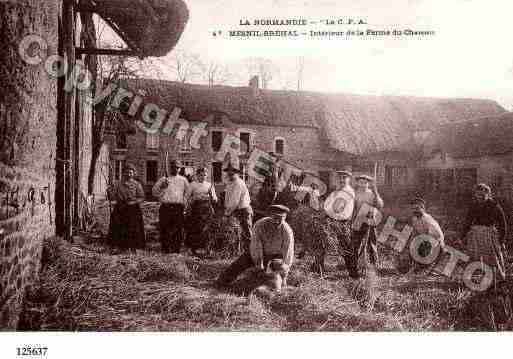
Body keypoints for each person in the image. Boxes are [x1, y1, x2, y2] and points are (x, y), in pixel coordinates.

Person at [216, 204, 294, 288]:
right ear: (269, 216)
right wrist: (259, 264)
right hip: (257, 253)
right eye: (275, 218)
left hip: (275, 256)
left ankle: (274, 284)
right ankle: (222, 282)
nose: (277, 221)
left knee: (276, 276)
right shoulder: (260, 225)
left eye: (280, 219)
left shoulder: (287, 231)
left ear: (284, 218)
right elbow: (256, 246)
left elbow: (288, 252)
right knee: (241, 262)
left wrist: (284, 272)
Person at [462, 183, 507, 283]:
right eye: (478, 195)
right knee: (474, 257)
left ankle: (497, 279)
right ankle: (475, 279)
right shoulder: (474, 206)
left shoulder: (494, 206)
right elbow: (468, 222)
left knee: (492, 257)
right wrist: (462, 236)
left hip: (489, 233)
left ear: (488, 194)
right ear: (475, 195)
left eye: (483, 195)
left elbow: (502, 224)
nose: (480, 197)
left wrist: (502, 240)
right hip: (476, 234)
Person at [397, 197, 445, 274]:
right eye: (413, 209)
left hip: (436, 245)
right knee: (410, 248)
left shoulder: (428, 220)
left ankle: (428, 266)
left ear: (423, 208)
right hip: (424, 242)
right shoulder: (415, 219)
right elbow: (414, 233)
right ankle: (413, 266)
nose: (415, 211)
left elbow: (436, 237)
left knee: (422, 256)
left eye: (417, 208)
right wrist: (408, 246)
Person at [152, 160, 190, 253]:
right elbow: (154, 192)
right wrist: (163, 187)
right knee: (165, 228)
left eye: (177, 167)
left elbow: (187, 193)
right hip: (166, 207)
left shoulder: (183, 180)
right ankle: (166, 249)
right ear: (170, 168)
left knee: (178, 229)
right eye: (173, 167)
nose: (175, 169)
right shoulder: (163, 179)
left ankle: (176, 250)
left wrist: (184, 204)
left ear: (180, 169)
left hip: (178, 207)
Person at [350, 174, 384, 278]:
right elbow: (353, 208)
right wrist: (352, 221)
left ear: (368, 184)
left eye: (365, 182)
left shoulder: (372, 194)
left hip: (370, 221)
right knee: (355, 244)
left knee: (372, 244)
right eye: (361, 182)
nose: (363, 184)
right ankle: (354, 268)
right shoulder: (355, 194)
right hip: (358, 221)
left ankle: (374, 267)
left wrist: (376, 192)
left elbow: (380, 205)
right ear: (357, 183)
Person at [323, 170, 356, 276]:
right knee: (322, 241)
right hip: (331, 219)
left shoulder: (349, 192)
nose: (342, 180)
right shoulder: (336, 191)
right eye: (340, 178)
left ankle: (353, 272)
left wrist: (329, 212)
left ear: (349, 179)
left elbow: (337, 208)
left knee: (346, 246)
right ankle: (318, 265)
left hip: (342, 222)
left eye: (344, 178)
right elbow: (327, 204)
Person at [107, 164, 145, 253]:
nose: (129, 174)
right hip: (120, 209)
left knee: (133, 227)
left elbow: (142, 197)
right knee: (118, 226)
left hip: (133, 209)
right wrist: (109, 191)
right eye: (127, 173)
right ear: (124, 173)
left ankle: (133, 246)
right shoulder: (118, 184)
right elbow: (112, 197)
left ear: (134, 174)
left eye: (131, 173)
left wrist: (134, 202)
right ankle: (119, 246)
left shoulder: (137, 184)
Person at [185, 167, 218, 256]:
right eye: (200, 175)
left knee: (207, 229)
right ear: (197, 175)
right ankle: (194, 249)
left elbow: (215, 199)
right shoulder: (192, 185)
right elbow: (187, 197)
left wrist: (213, 197)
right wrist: (194, 199)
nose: (202, 177)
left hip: (207, 210)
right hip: (196, 210)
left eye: (204, 175)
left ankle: (207, 249)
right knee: (195, 229)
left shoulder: (209, 185)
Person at [222, 162, 253, 252]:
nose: (230, 175)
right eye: (228, 173)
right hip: (236, 211)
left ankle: (251, 253)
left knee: (247, 233)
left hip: (244, 210)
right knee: (237, 232)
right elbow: (227, 199)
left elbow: (234, 201)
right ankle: (239, 252)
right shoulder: (229, 183)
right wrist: (226, 209)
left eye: (232, 173)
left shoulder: (238, 183)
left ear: (236, 173)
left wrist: (227, 214)